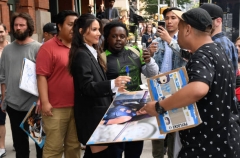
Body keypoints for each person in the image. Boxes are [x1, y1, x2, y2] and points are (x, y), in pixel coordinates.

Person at [142, 8, 240, 158]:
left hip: (206, 145)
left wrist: (159, 106)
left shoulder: (202, 55)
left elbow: (198, 89)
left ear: (188, 29)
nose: (178, 35)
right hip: (225, 138)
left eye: (179, 29)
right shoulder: (217, 49)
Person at [67, 13, 131, 158]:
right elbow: (87, 87)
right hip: (92, 116)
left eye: (99, 30)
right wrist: (112, 83)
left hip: (99, 114)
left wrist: (115, 88)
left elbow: (94, 84)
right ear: (82, 31)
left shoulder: (90, 52)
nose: (98, 33)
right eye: (94, 29)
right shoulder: (82, 54)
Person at [103, 21, 159, 158]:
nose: (118, 40)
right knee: (115, 151)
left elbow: (152, 74)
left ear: (126, 38)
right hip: (113, 110)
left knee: (134, 151)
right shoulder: (101, 57)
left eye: (122, 36)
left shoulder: (135, 51)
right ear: (107, 38)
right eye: (114, 36)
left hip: (137, 109)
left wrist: (149, 61)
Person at [36, 10, 80, 158]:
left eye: (76, 25)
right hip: (55, 108)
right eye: (70, 24)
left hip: (77, 105)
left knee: (74, 146)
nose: (74, 29)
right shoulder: (47, 48)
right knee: (54, 148)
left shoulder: (79, 47)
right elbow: (41, 76)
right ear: (59, 26)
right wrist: (45, 102)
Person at [0, 12, 42, 158]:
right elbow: (3, 77)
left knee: (39, 144)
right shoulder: (7, 50)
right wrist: (4, 99)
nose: (18, 28)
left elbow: (44, 77)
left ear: (28, 27)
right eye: (16, 25)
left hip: (33, 106)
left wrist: (41, 99)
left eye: (21, 25)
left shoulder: (38, 48)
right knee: (20, 147)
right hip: (13, 106)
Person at [149, 7, 186, 158]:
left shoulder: (184, 39)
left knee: (174, 134)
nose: (169, 21)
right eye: (167, 18)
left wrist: (170, 40)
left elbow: (186, 57)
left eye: (173, 18)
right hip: (159, 91)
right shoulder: (156, 41)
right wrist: (148, 57)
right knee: (157, 134)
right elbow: (150, 71)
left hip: (178, 91)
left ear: (180, 21)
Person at [200, 3, 238, 74]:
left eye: (204, 19)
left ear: (218, 21)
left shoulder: (217, 44)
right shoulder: (228, 43)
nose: (201, 23)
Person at [0, 23, 9, 158]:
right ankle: (1, 146)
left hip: (14, 90)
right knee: (0, 120)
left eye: (1, 31)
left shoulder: (12, 48)